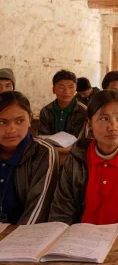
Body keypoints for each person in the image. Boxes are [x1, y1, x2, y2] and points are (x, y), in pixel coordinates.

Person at [49, 90, 118, 232]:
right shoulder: (77, 159)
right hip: (78, 241)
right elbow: (61, 214)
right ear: (89, 123)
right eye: (104, 119)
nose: (113, 127)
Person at [0, 91, 59, 225]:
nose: (11, 129)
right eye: (2, 122)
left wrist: (17, 240)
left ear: (30, 120)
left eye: (20, 121)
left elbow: (38, 209)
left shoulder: (43, 152)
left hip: (24, 235)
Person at [39, 69, 87, 137]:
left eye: (71, 87)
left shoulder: (83, 111)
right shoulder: (46, 111)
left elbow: (79, 139)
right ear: (53, 90)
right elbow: (43, 136)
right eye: (61, 87)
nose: (66, 91)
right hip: (50, 147)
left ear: (76, 89)